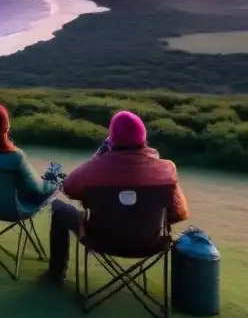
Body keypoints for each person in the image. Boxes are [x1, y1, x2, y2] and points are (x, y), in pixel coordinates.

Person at [44, 110, 189, 283]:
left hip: (99, 241)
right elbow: (180, 213)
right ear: (143, 139)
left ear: (111, 140)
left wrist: (98, 156)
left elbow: (68, 187)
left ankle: (55, 274)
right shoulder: (166, 169)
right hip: (150, 244)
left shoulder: (95, 167)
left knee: (59, 209)